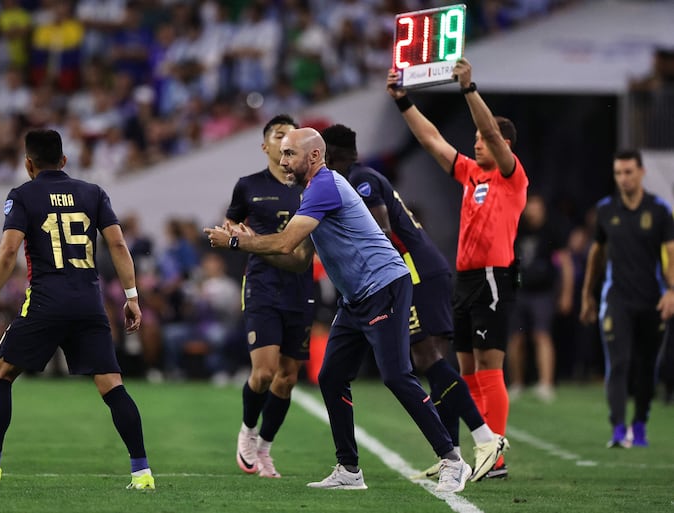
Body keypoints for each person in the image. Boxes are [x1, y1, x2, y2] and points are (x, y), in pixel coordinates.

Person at [205, 127, 472, 493]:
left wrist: (237, 240)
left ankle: (453, 460)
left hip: (384, 286)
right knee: (330, 377)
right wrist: (251, 242)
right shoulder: (313, 191)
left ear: (314, 156)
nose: (283, 162)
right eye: (281, 154)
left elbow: (285, 244)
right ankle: (349, 469)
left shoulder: (324, 186)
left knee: (396, 376)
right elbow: (296, 255)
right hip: (356, 297)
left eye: (290, 155)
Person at [0, 129, 154, 490]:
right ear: (64, 161)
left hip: (45, 301)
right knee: (112, 386)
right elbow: (118, 243)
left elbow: (9, 251)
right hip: (89, 303)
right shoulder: (93, 193)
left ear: (28, 163)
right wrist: (132, 297)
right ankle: (142, 473)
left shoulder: (23, 195)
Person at [320, 123, 508, 482]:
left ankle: (484, 438)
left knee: (423, 358)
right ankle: (453, 448)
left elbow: (381, 231)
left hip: (413, 271)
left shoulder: (362, 180)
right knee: (425, 360)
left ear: (329, 155)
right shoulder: (360, 177)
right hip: (417, 270)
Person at [386, 57, 528, 479]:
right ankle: (468, 453)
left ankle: (495, 455)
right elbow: (431, 139)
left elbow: (487, 132)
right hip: (465, 279)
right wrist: (402, 102)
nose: (476, 143)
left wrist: (469, 89)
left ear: (502, 144)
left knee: (489, 365)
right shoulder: (471, 174)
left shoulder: (510, 176)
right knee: (464, 370)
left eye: (485, 138)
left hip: (493, 277)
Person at [224, 114, 315, 479]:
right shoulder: (248, 186)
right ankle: (247, 430)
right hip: (262, 285)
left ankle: (265, 448)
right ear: (266, 146)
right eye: (278, 136)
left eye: (291, 137)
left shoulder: (310, 186)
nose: (285, 142)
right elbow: (232, 223)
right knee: (263, 372)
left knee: (288, 377)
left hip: (301, 287)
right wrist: (235, 232)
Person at [579, 149, 674, 448]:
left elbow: (671, 255)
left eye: (629, 172)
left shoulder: (659, 210)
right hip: (616, 297)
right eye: (618, 173)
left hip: (651, 299)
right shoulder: (606, 210)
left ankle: (640, 425)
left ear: (642, 172)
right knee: (618, 362)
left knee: (647, 366)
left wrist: (672, 290)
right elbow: (596, 254)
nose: (623, 178)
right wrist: (587, 296)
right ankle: (618, 429)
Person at [507, 194, 573, 403]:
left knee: (541, 335)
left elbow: (565, 263)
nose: (532, 209)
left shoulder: (551, 230)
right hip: (520, 291)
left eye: (536, 205)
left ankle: (546, 383)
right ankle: (516, 383)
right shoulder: (518, 229)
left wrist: (566, 293)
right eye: (529, 205)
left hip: (543, 292)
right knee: (516, 339)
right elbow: (510, 260)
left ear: (542, 208)